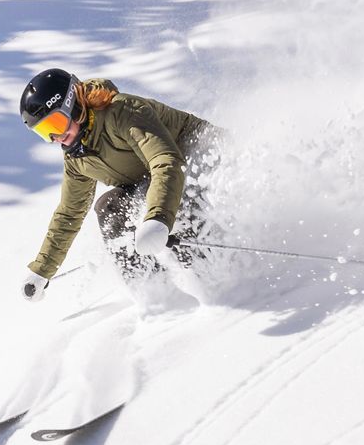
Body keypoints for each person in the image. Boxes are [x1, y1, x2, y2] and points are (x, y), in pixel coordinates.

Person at [17, 68, 219, 301]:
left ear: (72, 104)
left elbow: (165, 161)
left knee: (179, 208)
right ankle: (157, 296)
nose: (56, 137)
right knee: (109, 208)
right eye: (45, 132)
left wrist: (158, 217)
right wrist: (42, 271)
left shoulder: (123, 111)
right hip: (152, 181)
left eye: (56, 123)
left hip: (200, 159)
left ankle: (217, 283)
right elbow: (69, 214)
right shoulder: (76, 157)